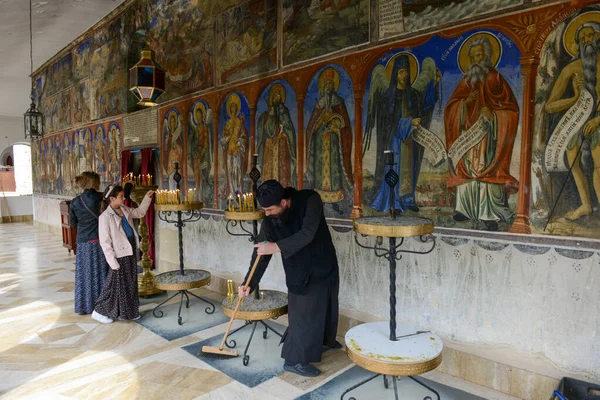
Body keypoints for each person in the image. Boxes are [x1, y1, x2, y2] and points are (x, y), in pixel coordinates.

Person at [238, 180, 340, 377]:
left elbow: (308, 232)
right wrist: (249, 283)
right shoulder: (270, 220)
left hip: (324, 261)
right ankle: (294, 361)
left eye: (269, 209)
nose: (266, 214)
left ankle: (322, 342)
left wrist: (275, 247)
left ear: (284, 202)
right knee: (304, 315)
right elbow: (261, 253)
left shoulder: (310, 200)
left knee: (327, 305)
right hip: (300, 271)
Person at [444, 36, 519, 231]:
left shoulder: (496, 78)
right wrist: (465, 104)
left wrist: (494, 115)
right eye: (474, 57)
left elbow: (512, 109)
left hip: (489, 136)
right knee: (467, 168)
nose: (478, 60)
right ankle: (464, 209)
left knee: (487, 168)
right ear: (469, 60)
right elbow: (451, 109)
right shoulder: (465, 82)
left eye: (481, 55)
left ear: (487, 57)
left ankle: (489, 213)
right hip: (468, 137)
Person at [545, 21, 600, 220]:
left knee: (598, 163)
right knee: (573, 162)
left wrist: (597, 120)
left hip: (598, 122)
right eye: (582, 38)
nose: (586, 40)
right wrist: (575, 99)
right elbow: (549, 106)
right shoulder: (571, 69)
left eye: (590, 35)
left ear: (598, 36)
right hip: (577, 121)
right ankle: (586, 205)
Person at [92, 184, 154, 324]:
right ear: (112, 199)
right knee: (114, 284)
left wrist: (147, 198)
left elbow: (140, 212)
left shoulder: (124, 209)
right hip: (119, 255)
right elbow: (105, 242)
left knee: (130, 283)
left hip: (130, 251)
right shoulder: (105, 217)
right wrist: (112, 262)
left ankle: (129, 312)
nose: (124, 198)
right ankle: (99, 311)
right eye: (121, 196)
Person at [70, 172, 106, 315]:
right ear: (94, 182)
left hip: (83, 242)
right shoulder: (101, 198)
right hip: (99, 240)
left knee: (85, 274)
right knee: (101, 273)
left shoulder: (75, 201)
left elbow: (73, 223)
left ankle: (84, 306)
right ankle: (102, 304)